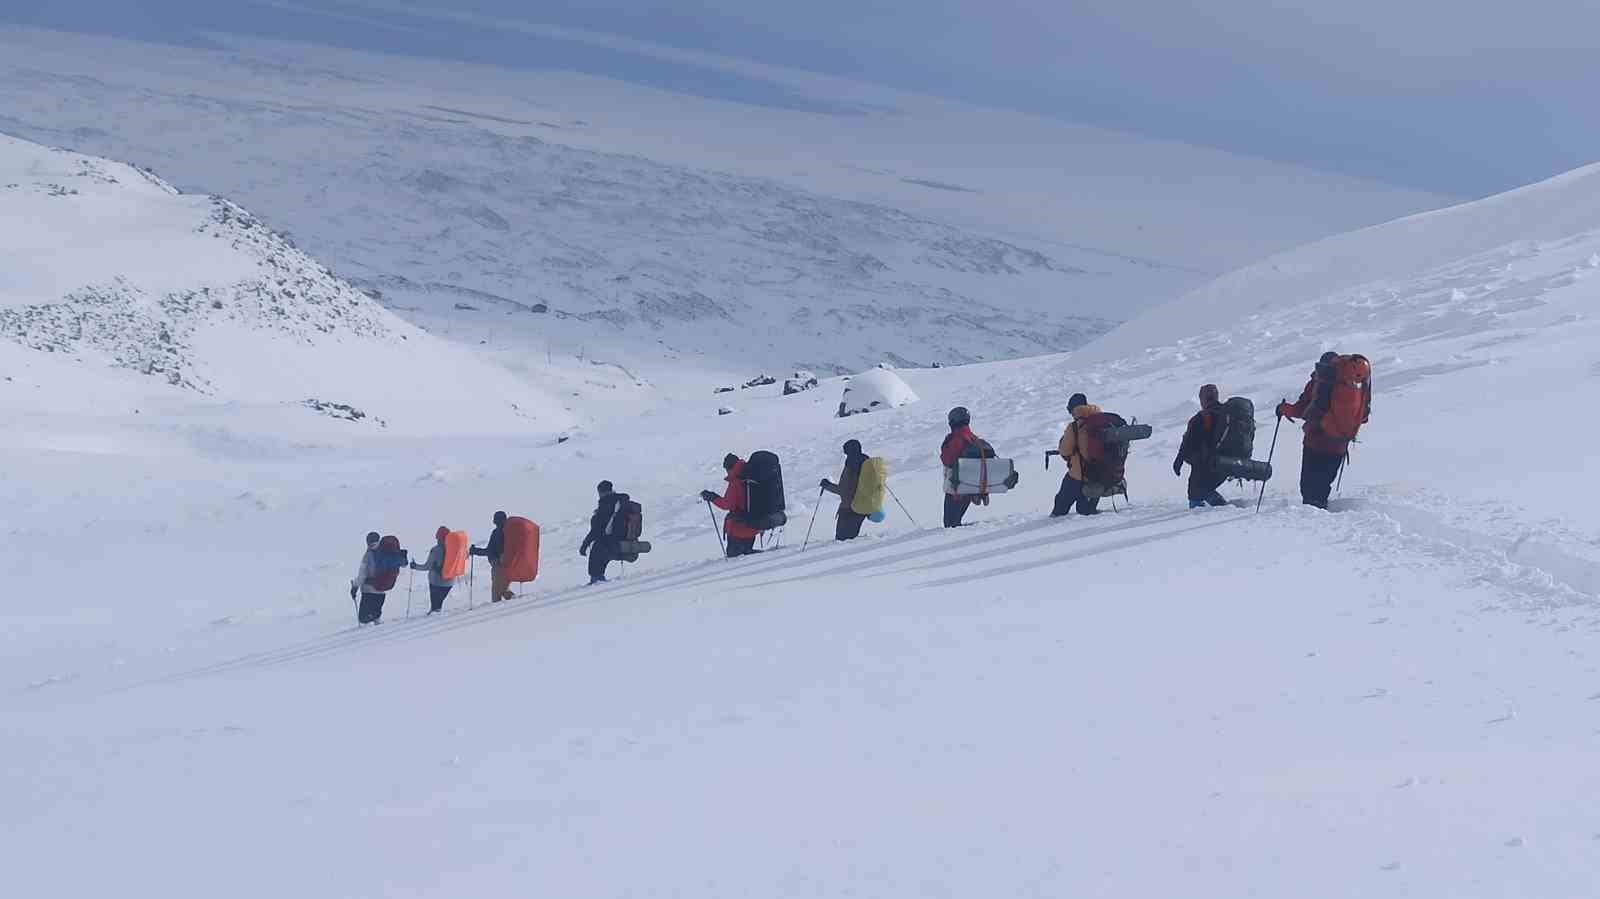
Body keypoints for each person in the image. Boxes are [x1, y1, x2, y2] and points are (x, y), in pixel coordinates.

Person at [1277, 351, 1370, 509]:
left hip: (1316, 440)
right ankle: (1320, 514)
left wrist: (1284, 409)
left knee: (1309, 488)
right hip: (1339, 443)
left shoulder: (1319, 382)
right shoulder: (1355, 385)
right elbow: (1364, 416)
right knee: (1323, 484)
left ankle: (1313, 520)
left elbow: (1302, 408)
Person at [1174, 384, 1230, 508]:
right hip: (1230, 462)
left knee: (1196, 491)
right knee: (1204, 489)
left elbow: (1187, 443)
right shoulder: (1228, 413)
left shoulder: (1199, 418)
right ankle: (1221, 506)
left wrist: (1178, 461)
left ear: (1203, 399)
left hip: (1208, 464)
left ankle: (1199, 514)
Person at [1051, 393, 1104, 517]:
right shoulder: (1101, 421)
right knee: (1087, 512)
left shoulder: (1074, 427)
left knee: (1059, 511)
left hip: (1078, 476)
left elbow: (1065, 451)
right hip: (1099, 475)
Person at [939, 406, 991, 528]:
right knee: (955, 522)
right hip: (971, 486)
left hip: (957, 488)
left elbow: (947, 460)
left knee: (950, 524)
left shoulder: (958, 439)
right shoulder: (973, 438)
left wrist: (946, 444)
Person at [701, 454, 760, 556]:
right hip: (754, 526)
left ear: (729, 467)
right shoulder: (751, 475)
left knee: (735, 560)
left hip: (738, 529)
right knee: (748, 556)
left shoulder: (736, 482)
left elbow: (727, 505)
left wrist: (712, 497)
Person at [820, 439, 870, 541]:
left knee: (842, 541)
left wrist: (827, 485)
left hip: (849, 509)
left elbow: (843, 490)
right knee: (851, 540)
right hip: (864, 507)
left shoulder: (851, 465)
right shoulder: (867, 463)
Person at [580, 480, 626, 584]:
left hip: (611, 541)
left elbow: (596, 530)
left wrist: (585, 545)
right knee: (601, 553)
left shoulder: (606, 504)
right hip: (622, 538)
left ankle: (597, 580)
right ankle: (598, 578)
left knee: (597, 551)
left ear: (602, 492)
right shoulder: (619, 502)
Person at [409, 526, 457, 614]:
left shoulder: (436, 550)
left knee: (435, 608)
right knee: (439, 604)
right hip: (450, 582)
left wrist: (415, 566)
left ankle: (432, 621)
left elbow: (427, 566)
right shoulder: (455, 548)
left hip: (436, 582)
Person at [469, 510, 514, 601]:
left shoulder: (497, 533)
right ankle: (511, 601)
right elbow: (490, 550)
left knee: (498, 591)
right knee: (501, 589)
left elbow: (489, 551)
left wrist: (475, 551)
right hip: (507, 564)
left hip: (498, 564)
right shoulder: (508, 532)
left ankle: (511, 601)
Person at [350, 531, 390, 624]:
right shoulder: (386, 553)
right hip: (382, 590)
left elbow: (362, 575)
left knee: (363, 619)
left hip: (368, 591)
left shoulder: (367, 556)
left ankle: (370, 634)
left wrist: (355, 587)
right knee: (376, 617)